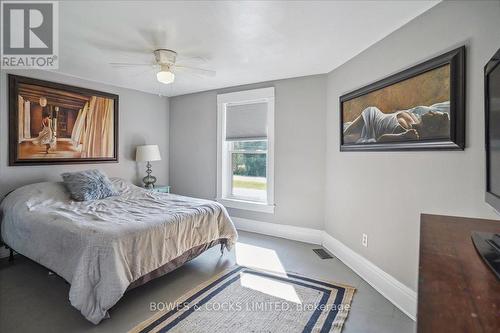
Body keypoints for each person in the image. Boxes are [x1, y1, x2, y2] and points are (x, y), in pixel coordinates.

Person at [343, 101, 450, 144]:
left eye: (433, 115)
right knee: (342, 139)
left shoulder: (410, 134)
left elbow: (381, 140)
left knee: (346, 140)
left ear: (431, 127)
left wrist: (402, 136)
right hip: (372, 115)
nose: (431, 111)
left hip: (372, 129)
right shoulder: (416, 117)